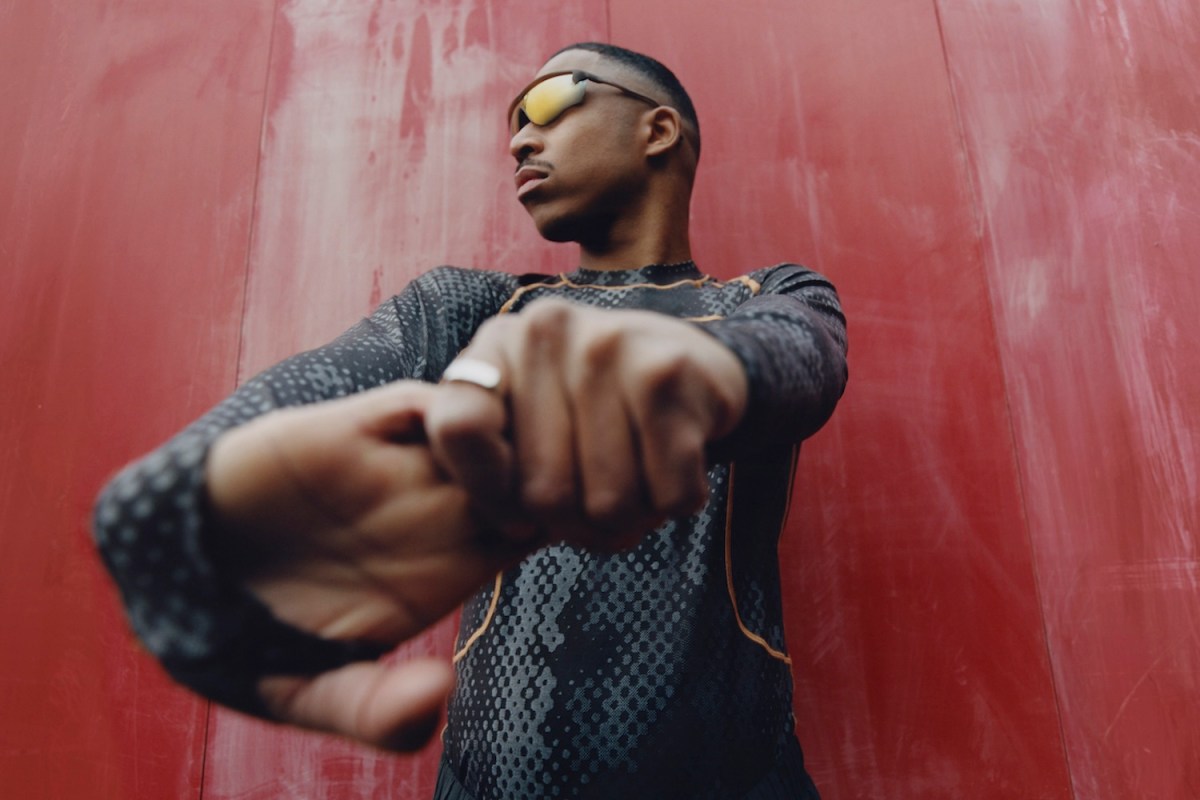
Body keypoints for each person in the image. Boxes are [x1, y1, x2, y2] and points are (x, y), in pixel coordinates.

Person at [93, 41, 848, 799]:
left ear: (657, 130)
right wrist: (180, 502)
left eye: (548, 104)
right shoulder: (472, 308)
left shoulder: (773, 295)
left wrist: (700, 375)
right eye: (513, 123)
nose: (520, 140)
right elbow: (299, 395)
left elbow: (802, 357)